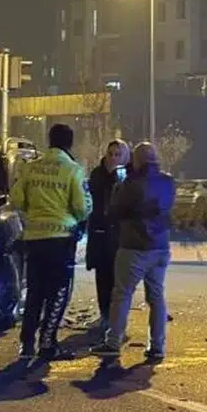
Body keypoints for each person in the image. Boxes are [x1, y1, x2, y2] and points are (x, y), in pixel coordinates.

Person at [10, 123, 92, 360]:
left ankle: (26, 343)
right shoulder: (73, 170)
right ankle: (47, 343)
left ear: (49, 140)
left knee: (35, 291)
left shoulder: (30, 168)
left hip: (34, 239)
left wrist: (34, 212)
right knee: (57, 293)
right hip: (61, 241)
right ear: (69, 143)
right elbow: (82, 207)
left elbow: (17, 200)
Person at [93, 141, 176, 364]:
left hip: (134, 247)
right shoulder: (168, 182)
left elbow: (114, 210)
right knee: (156, 297)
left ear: (136, 160)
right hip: (160, 246)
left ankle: (112, 342)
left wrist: (117, 187)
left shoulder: (131, 184)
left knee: (122, 294)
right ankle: (157, 345)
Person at [86, 140, 131, 334]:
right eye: (111, 153)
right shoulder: (97, 174)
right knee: (101, 276)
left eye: (117, 154)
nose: (113, 158)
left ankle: (116, 319)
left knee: (117, 279)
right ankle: (104, 315)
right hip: (99, 232)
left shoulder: (126, 176)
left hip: (119, 234)